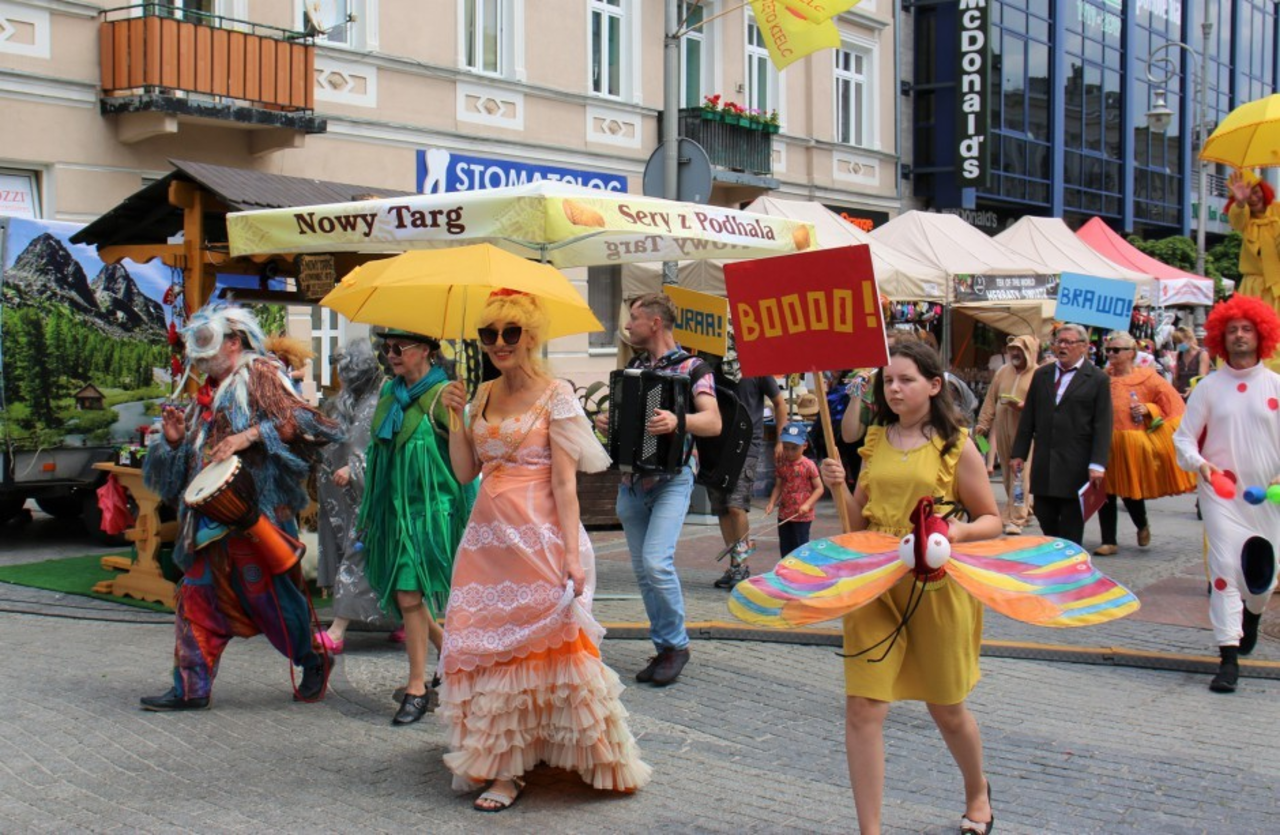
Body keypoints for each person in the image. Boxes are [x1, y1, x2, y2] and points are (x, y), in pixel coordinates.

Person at [439, 291, 651, 810]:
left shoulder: (556, 395)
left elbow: (564, 483)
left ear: (531, 336)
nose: (499, 343)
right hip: (486, 543)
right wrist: (454, 419)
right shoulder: (480, 394)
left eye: (510, 333)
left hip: (540, 539)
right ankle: (503, 763)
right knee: (489, 647)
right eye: (489, 334)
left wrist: (573, 557)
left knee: (541, 649)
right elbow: (465, 472)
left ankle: (519, 769)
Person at [818, 339, 1001, 835]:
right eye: (888, 381)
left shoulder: (957, 445)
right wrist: (838, 484)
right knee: (863, 707)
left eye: (906, 380)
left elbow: (991, 519)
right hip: (876, 582)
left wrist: (955, 532)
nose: (894, 389)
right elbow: (857, 523)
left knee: (946, 707)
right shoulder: (875, 440)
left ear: (934, 385)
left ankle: (977, 790)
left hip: (936, 584)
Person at [140, 302, 341, 711]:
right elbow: (191, 468)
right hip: (208, 525)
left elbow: (311, 424)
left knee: (273, 605)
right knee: (196, 599)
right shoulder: (206, 395)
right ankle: (190, 687)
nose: (200, 355)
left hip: (258, 518)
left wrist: (247, 436)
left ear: (234, 341)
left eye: (208, 342)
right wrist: (175, 443)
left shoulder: (261, 374)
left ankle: (312, 657)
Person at [596, 293, 721, 687]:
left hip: (673, 478)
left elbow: (713, 422)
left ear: (654, 323)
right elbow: (629, 422)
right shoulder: (635, 368)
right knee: (643, 571)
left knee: (656, 563)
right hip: (632, 481)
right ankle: (665, 646)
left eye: (633, 318)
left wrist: (678, 420)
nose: (627, 325)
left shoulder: (694, 368)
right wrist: (609, 422)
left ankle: (677, 645)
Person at [357, 328, 476, 726]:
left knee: (408, 593)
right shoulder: (390, 395)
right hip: (394, 514)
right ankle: (451, 654)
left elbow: (467, 461)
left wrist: (460, 418)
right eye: (386, 348)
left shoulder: (443, 396)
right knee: (405, 595)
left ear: (424, 351)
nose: (390, 354)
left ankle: (416, 688)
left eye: (398, 348)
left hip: (431, 514)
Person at [1173, 295, 1280, 693]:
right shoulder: (1209, 388)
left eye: (1246, 329)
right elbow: (1183, 438)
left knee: (1263, 580)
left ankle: (1252, 614)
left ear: (1261, 335)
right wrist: (1200, 464)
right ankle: (1228, 656)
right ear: (1221, 336)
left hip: (1267, 498)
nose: (1239, 336)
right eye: (1232, 329)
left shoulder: (1276, 386)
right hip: (1220, 494)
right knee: (1224, 570)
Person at [315, 339, 392, 655]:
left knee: (357, 555)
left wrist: (354, 469)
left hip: (372, 498)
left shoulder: (378, 402)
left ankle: (338, 629)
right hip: (351, 497)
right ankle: (400, 620)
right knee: (374, 558)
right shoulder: (356, 401)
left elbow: (378, 449)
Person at [1092, 331, 1196, 556]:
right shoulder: (1101, 378)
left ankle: (1142, 525)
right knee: (1104, 491)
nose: (1110, 354)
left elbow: (1171, 406)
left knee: (1130, 492)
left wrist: (1148, 409)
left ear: (1131, 353)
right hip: (1104, 441)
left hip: (1132, 443)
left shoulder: (1148, 377)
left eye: (1116, 350)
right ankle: (1109, 540)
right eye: (1108, 350)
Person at [1010, 323, 1112, 546]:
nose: (1062, 347)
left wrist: (1098, 464)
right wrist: (1019, 453)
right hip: (1045, 460)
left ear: (1083, 346)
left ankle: (1069, 557)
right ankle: (1057, 548)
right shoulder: (1042, 375)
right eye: (1059, 342)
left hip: (1076, 462)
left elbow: (1103, 425)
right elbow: (1029, 417)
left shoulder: (1097, 379)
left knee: (1071, 522)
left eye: (1068, 342)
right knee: (1044, 512)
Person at [710, 374, 787, 588]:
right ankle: (734, 565)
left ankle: (742, 564)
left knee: (736, 506)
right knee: (722, 508)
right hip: (715, 446)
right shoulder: (712, 363)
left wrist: (781, 439)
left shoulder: (756, 367)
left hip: (746, 445)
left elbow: (780, 403)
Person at [974, 335, 1039, 535]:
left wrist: (1023, 407)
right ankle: (1022, 508)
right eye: (1013, 349)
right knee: (1008, 474)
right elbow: (990, 400)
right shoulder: (1003, 371)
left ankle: (1016, 518)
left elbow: (1042, 406)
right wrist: (983, 423)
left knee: (1019, 475)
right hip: (1003, 429)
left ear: (1029, 352)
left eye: (1020, 349)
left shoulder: (1038, 374)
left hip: (1024, 433)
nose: (1015, 353)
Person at [1227, 168, 1280, 320]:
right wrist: (1240, 203)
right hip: (1253, 288)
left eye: (1256, 192)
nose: (1254, 198)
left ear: (1264, 190)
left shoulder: (1277, 210)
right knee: (1252, 327)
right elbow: (1236, 220)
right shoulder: (1245, 219)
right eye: (1247, 195)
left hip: (1277, 285)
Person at [764, 422, 823, 557]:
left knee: (800, 546)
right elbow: (778, 485)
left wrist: (807, 504)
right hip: (784, 513)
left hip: (802, 515)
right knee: (785, 547)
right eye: (786, 448)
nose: (789, 452)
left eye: (794, 448)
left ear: (804, 446)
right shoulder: (782, 463)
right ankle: (786, 568)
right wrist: (772, 503)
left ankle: (800, 569)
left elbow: (819, 488)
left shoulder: (808, 465)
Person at [1171, 325, 1212, 399]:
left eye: (1180, 342)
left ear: (1189, 339)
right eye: (1177, 343)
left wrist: (1192, 389)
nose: (1179, 345)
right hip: (1181, 395)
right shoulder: (1180, 354)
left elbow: (1201, 378)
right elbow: (1176, 377)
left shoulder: (1202, 354)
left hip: (1196, 395)